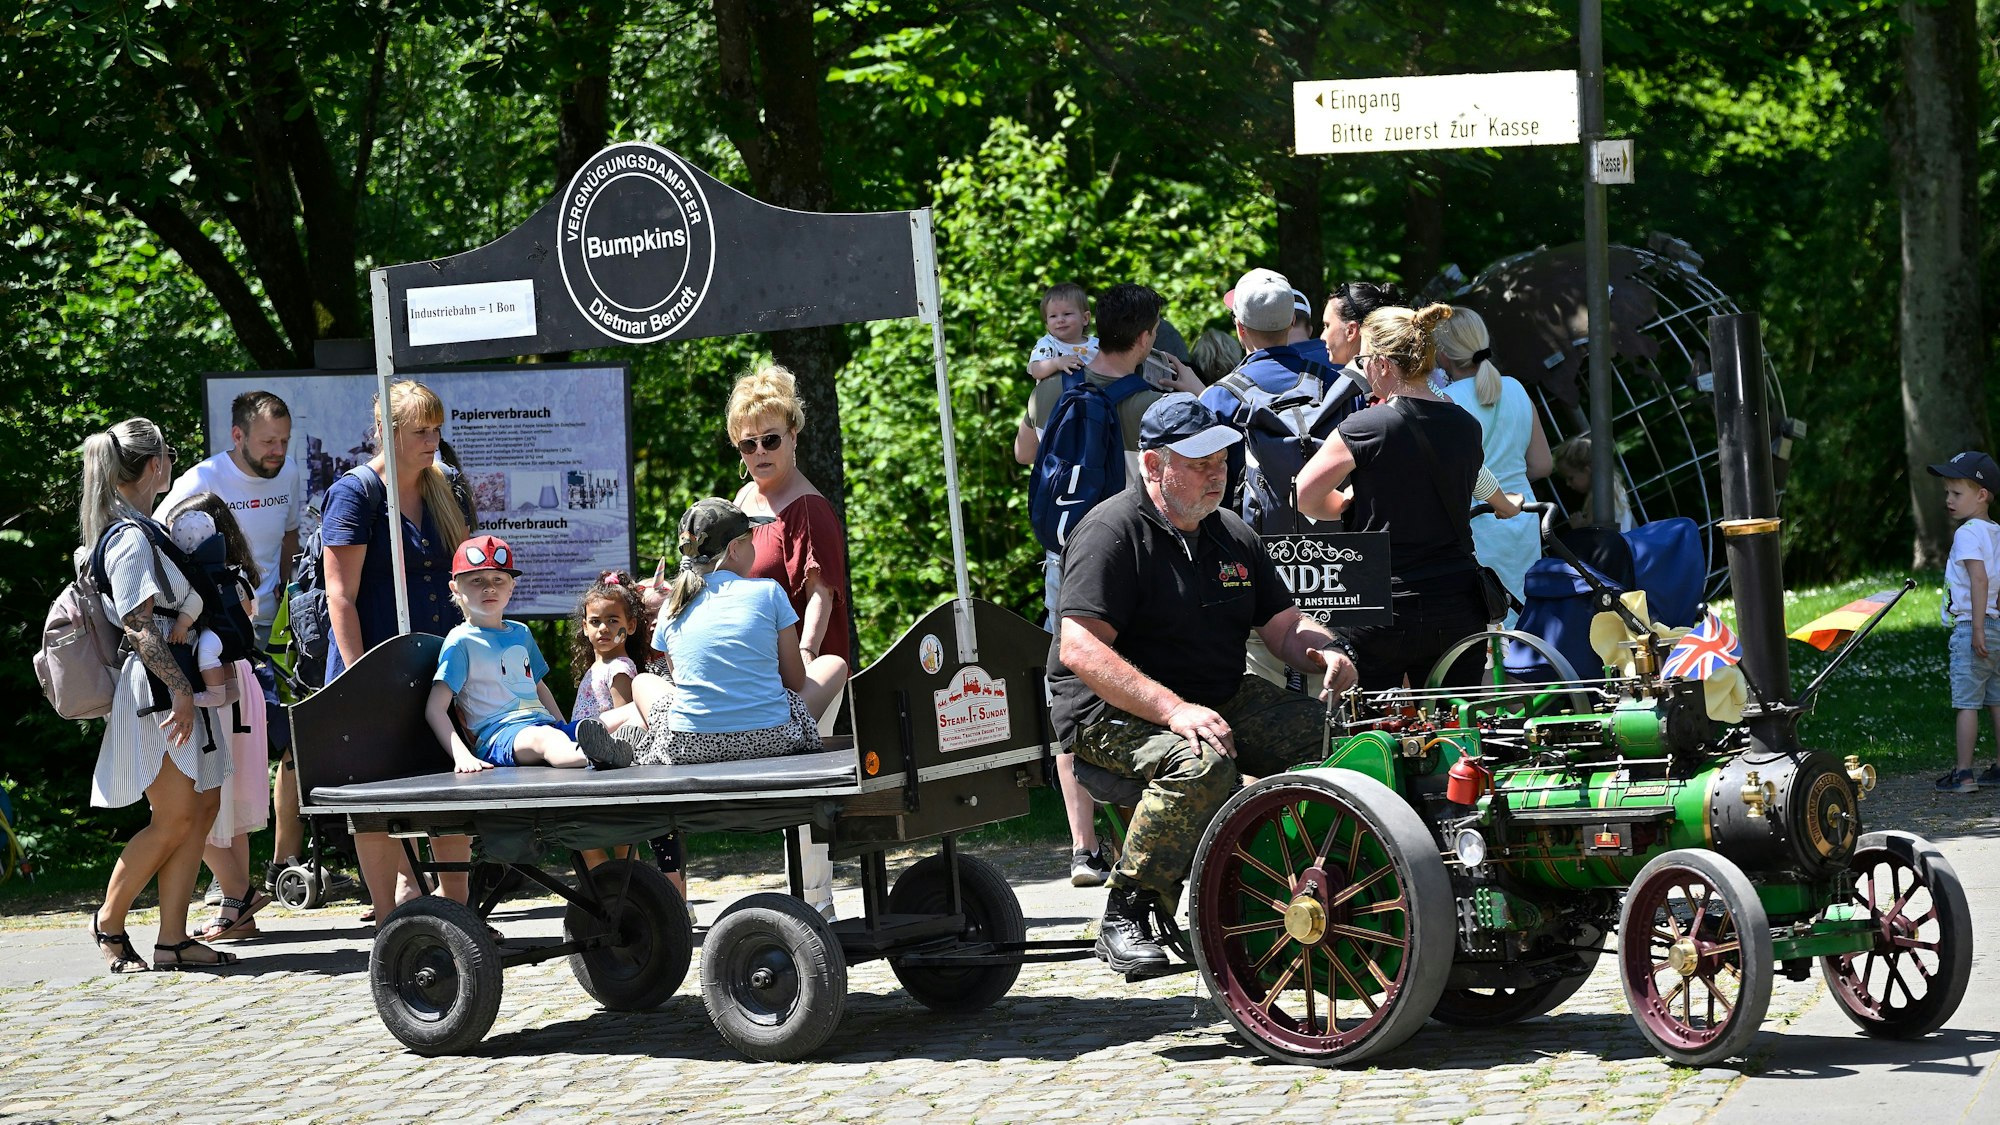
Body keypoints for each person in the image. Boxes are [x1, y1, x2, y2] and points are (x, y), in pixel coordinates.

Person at [1050, 394, 1360, 978]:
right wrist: (1173, 710)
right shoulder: (1111, 531)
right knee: (1199, 765)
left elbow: (1283, 626)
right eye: (1197, 463)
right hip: (1107, 711)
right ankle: (1126, 911)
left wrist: (1326, 649)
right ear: (1151, 465)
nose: (1216, 473)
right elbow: (1080, 649)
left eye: (1220, 459)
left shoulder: (1230, 534)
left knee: (1336, 739)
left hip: (1215, 695)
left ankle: (1324, 877)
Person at [1013, 282, 1203, 887]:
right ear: (1146, 336)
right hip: (1134, 564)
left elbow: (1024, 454)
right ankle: (1153, 844)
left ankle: (1083, 848)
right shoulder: (1152, 406)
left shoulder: (1051, 386)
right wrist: (1192, 393)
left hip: (1064, 562)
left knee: (1072, 695)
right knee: (1146, 691)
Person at [78, 418, 240, 972]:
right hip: (160, 687)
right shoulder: (128, 538)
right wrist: (180, 691)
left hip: (179, 680)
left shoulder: (141, 528)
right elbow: (139, 625)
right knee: (174, 815)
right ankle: (109, 921)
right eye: (168, 456)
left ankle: (173, 940)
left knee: (201, 808)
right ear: (156, 466)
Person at [321, 379, 475, 922]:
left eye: (437, 429)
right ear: (386, 431)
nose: (433, 440)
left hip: (440, 660)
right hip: (376, 664)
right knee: (378, 799)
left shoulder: (445, 486)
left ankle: (458, 913)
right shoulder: (356, 492)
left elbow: (467, 574)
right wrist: (361, 677)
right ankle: (390, 920)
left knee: (454, 785)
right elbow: (341, 595)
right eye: (420, 431)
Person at [152, 390, 315, 900]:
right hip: (210, 636)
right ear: (237, 436)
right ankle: (231, 886)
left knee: (278, 746)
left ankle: (281, 863)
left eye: (285, 441)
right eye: (268, 441)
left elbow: (290, 539)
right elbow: (164, 548)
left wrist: (287, 599)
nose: (278, 451)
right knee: (218, 754)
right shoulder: (199, 482)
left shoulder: (287, 475)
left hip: (268, 628)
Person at [1296, 304, 1495, 690]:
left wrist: (1343, 503)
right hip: (1459, 600)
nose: (1362, 369)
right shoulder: (1466, 426)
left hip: (1383, 602)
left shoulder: (1366, 427)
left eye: (1364, 360)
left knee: (1371, 729)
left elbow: (1304, 496)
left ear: (1384, 364)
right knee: (1456, 727)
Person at [583, 499, 848, 768]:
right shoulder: (769, 591)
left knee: (642, 683)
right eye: (750, 541)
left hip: (689, 745)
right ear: (734, 549)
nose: (754, 549)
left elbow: (679, 683)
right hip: (774, 739)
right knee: (833, 663)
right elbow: (794, 681)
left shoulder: (672, 605)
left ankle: (634, 740)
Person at [727, 365, 854, 913]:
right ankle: (804, 904)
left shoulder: (809, 507)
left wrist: (801, 662)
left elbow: (823, 595)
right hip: (757, 668)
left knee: (805, 788)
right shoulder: (743, 502)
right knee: (781, 789)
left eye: (771, 440)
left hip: (812, 667)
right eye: (748, 443)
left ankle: (817, 906)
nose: (760, 453)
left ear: (794, 435)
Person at [162, 496, 272, 942]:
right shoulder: (240, 576)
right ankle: (237, 910)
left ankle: (239, 894)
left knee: (200, 797)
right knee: (233, 804)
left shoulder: (197, 577)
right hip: (243, 681)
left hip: (218, 687)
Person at [429, 534, 610, 772]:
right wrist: (461, 756)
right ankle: (596, 754)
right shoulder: (461, 641)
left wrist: (565, 726)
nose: (489, 588)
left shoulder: (521, 633)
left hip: (542, 724)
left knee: (619, 717)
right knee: (546, 740)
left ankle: (609, 746)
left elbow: (538, 686)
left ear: (512, 588)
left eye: (498, 580)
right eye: (476, 580)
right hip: (500, 736)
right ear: (455, 588)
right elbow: (434, 708)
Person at [1437, 306, 1553, 626]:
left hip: (1478, 519)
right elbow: (1542, 464)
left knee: (1486, 625)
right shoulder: (1516, 388)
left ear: (1442, 355)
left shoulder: (1445, 400)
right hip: (1524, 514)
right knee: (1525, 619)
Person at [1929, 452, 2000, 793]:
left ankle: (1964, 773)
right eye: (1947, 493)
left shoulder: (1967, 534)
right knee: (1997, 699)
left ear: (1981, 494)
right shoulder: (1996, 533)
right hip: (1997, 627)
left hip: (1972, 627)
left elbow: (1979, 580)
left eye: (1956, 494)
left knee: (1967, 703)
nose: (1948, 500)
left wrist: (1974, 629)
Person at [569, 570, 646, 724]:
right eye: (595, 621)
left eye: (612, 620)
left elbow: (625, 726)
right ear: (585, 627)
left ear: (630, 626)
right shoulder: (596, 668)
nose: (603, 628)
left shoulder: (619, 669)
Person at [1319, 280, 1406, 393]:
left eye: (1327, 325)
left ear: (1351, 331)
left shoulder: (1337, 389)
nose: (1322, 336)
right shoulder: (1403, 381)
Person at [1552, 434, 1634, 531]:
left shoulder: (1597, 499)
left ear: (1587, 470)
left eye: (1571, 478)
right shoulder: (1614, 489)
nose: (1568, 484)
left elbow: (1595, 535)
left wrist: (1578, 526)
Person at [1027, 282, 1098, 381]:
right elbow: (1036, 370)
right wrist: (1056, 363)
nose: (1060, 320)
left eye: (1067, 314)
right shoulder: (1048, 344)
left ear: (1085, 318)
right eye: (1053, 316)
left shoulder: (1097, 346)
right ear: (1047, 323)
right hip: (1056, 395)